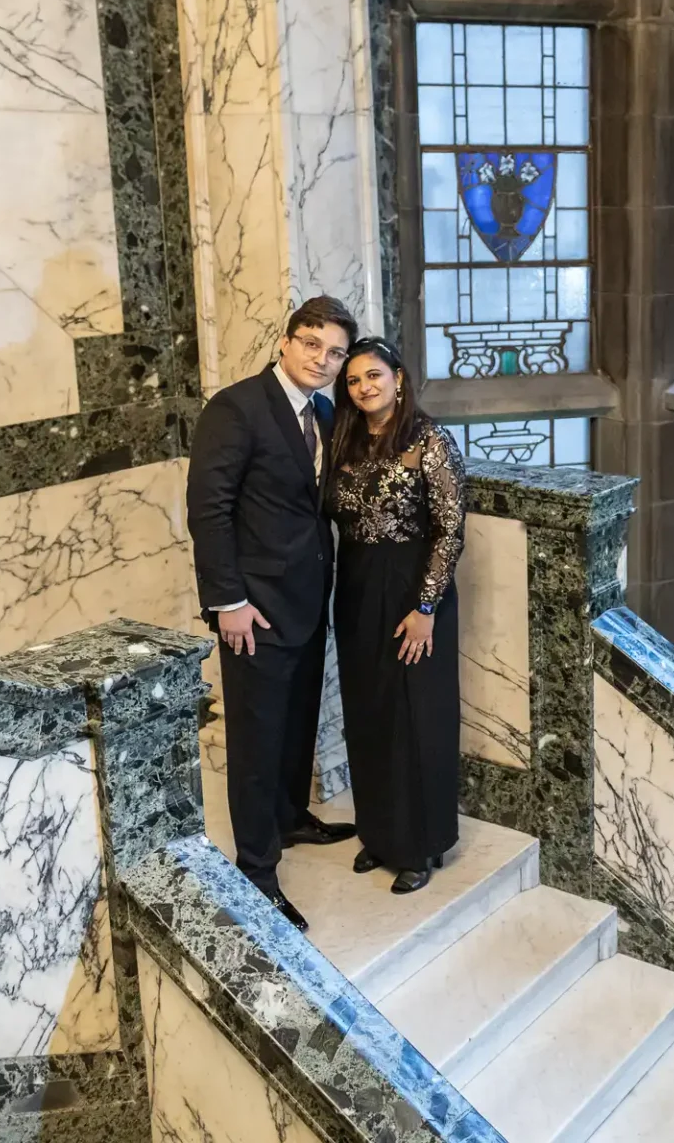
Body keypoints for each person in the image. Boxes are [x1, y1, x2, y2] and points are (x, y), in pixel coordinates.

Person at [186, 296, 361, 930]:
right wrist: (227, 602)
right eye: (311, 344)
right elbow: (209, 511)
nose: (322, 359)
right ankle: (256, 870)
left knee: (297, 722)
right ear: (286, 342)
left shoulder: (325, 409)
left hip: (309, 601)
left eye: (335, 352)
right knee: (258, 741)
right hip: (253, 610)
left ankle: (290, 819)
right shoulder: (236, 408)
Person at [326, 338, 465, 894]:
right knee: (369, 710)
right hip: (357, 585)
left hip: (413, 588)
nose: (363, 388)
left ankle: (420, 845)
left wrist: (425, 607)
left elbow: (450, 531)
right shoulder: (346, 437)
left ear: (398, 378)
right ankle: (379, 835)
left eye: (373, 376)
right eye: (354, 380)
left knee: (414, 716)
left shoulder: (430, 441)